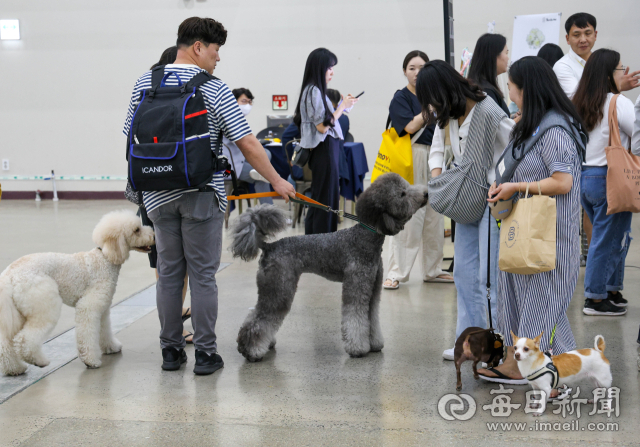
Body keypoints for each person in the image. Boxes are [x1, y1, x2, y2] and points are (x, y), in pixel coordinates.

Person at [123, 17, 295, 375]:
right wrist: (277, 180)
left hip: (156, 195)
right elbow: (247, 143)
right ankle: (205, 355)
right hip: (202, 193)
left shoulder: (144, 82)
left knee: (169, 274)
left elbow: (129, 135)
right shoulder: (213, 88)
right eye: (216, 51)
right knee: (202, 275)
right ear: (198, 47)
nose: (218, 59)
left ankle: (170, 352)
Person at [479, 57, 586, 390]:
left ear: (526, 89)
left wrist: (515, 187)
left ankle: (544, 375)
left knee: (541, 304)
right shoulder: (532, 124)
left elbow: (563, 181)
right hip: (524, 231)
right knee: (520, 300)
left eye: (511, 85)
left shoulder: (555, 129)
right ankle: (521, 363)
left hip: (550, 237)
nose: (508, 90)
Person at [420, 60, 514, 361]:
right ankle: (470, 342)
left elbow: (514, 148)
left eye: (432, 98)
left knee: (490, 279)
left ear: (446, 90)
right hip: (466, 202)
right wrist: (438, 177)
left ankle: (497, 347)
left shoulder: (488, 112)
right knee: (463, 273)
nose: (432, 107)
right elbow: (437, 146)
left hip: (492, 202)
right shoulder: (449, 115)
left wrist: (502, 185)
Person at [383, 50, 453, 290]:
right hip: (412, 157)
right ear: (405, 71)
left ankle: (432, 270)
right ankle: (396, 272)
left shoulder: (435, 96)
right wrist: (431, 108)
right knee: (408, 219)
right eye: (412, 68)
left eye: (422, 68)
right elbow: (410, 126)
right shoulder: (400, 98)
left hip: (436, 157)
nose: (416, 73)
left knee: (435, 217)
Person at [138, 45, 194, 343]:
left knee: (165, 270)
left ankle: (171, 321)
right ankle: (173, 330)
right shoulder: (180, 99)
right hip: (171, 193)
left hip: (149, 192)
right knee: (174, 272)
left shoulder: (147, 95)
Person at [573, 49, 634, 316]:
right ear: (610, 74)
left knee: (609, 236)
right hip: (610, 176)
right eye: (620, 70)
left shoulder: (579, 102)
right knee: (607, 238)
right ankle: (595, 298)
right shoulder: (618, 103)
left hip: (585, 177)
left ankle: (610, 289)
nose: (624, 74)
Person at [293, 48, 357, 234]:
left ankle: (315, 243)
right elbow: (323, 126)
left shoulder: (314, 90)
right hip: (324, 148)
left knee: (322, 198)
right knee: (326, 200)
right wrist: (341, 107)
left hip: (325, 149)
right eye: (329, 67)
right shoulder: (314, 90)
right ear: (320, 67)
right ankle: (323, 244)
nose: (332, 72)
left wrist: (344, 108)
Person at [554, 12, 640, 99]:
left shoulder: (603, 60)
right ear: (567, 39)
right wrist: (617, 86)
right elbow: (578, 99)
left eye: (588, 33)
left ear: (595, 35)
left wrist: (618, 83)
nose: (583, 40)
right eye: (576, 35)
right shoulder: (562, 66)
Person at [221, 88, 274, 205]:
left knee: (267, 153)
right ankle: (269, 215)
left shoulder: (238, 118)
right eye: (244, 101)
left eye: (250, 102)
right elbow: (244, 143)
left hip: (237, 161)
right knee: (264, 177)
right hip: (229, 167)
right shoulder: (229, 118)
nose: (248, 105)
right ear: (233, 101)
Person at [468, 34, 510, 116]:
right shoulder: (486, 92)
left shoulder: (480, 85)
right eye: (506, 53)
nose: (508, 58)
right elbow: (496, 127)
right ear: (494, 55)